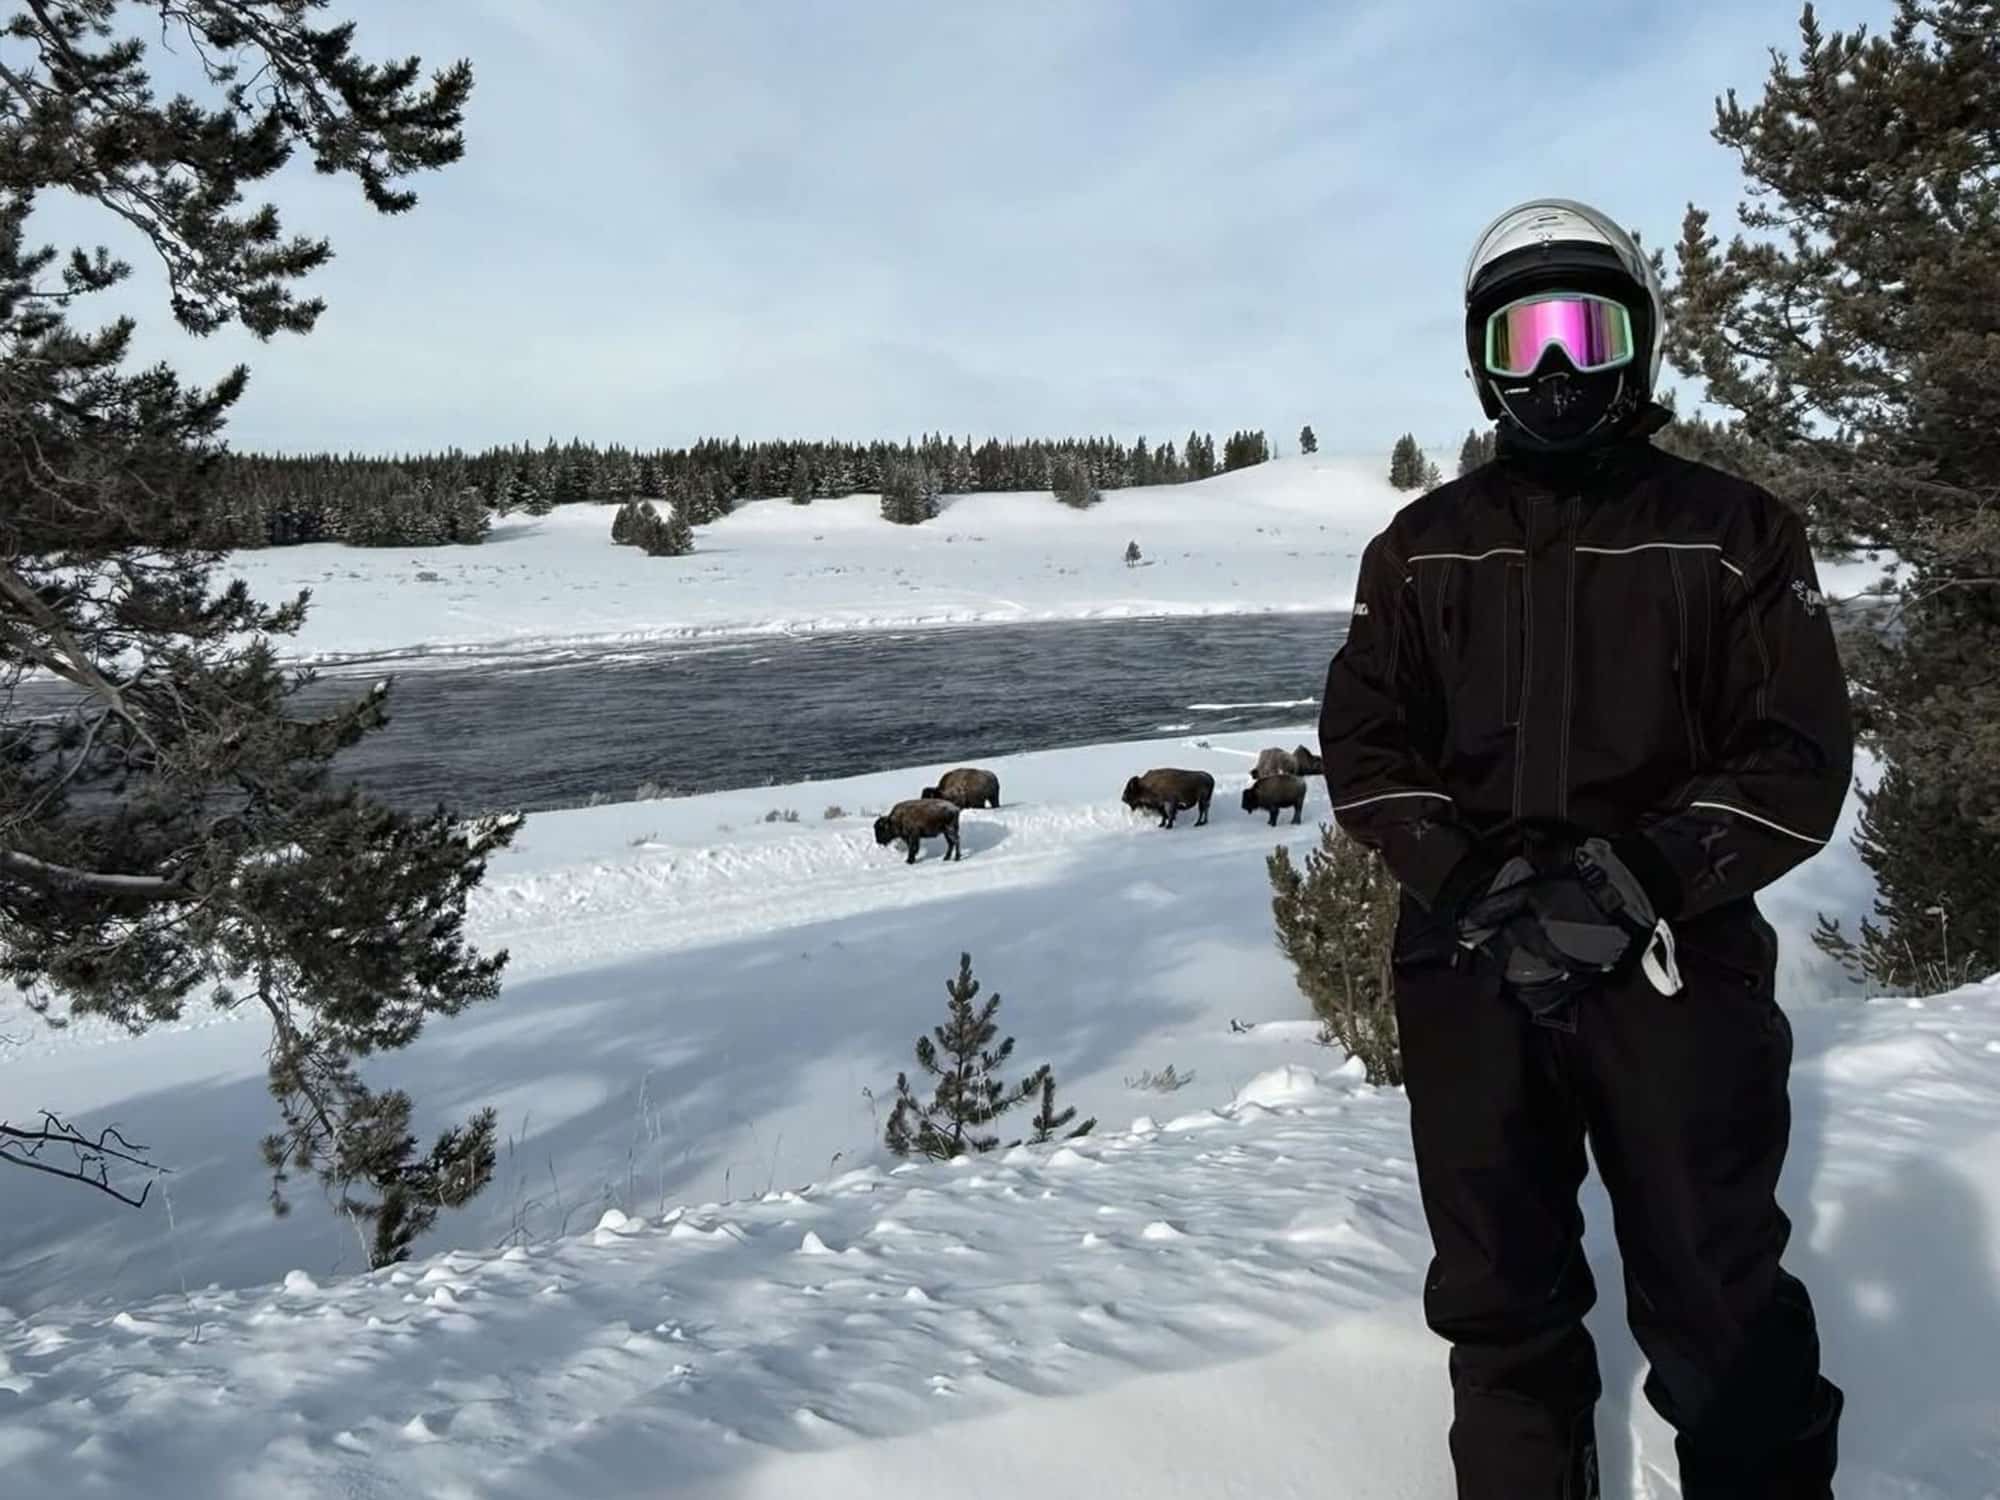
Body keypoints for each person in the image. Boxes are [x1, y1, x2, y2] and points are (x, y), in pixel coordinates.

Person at [1318, 198, 1853, 1499]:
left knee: (1716, 1288)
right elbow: (1367, 747)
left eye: (1584, 330)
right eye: (1526, 337)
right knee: (1502, 1307)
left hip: (1672, 969)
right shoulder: (1423, 547)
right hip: (1475, 974)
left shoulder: (1732, 532)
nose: (1557, 369)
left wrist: (1644, 875)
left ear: (1637, 345)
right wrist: (1470, 879)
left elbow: (1798, 756)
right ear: (1483, 358)